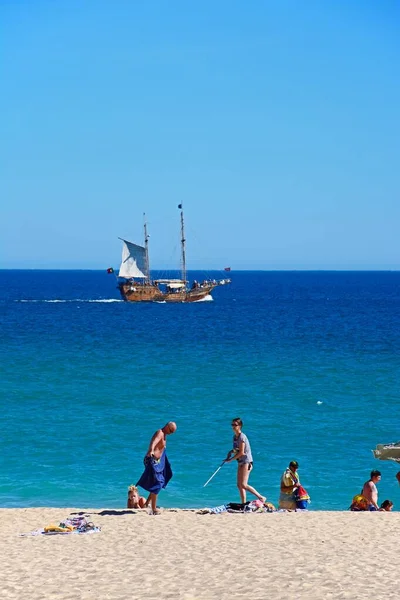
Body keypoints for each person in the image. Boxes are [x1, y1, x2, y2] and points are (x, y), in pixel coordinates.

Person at [136, 422, 177, 515]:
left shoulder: (165, 435)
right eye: (171, 431)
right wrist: (151, 450)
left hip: (157, 462)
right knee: (157, 483)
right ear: (167, 427)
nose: (171, 433)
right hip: (151, 460)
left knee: (160, 482)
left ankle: (147, 504)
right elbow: (154, 441)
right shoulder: (160, 433)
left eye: (172, 432)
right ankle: (154, 509)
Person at [225, 418, 265, 504]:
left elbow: (242, 452)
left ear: (240, 426)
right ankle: (243, 503)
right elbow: (236, 449)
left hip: (246, 461)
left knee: (243, 484)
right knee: (239, 485)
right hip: (240, 462)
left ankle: (261, 497)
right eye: (232, 425)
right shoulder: (235, 437)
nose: (233, 427)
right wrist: (230, 453)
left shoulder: (242, 437)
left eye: (235, 425)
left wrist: (231, 460)